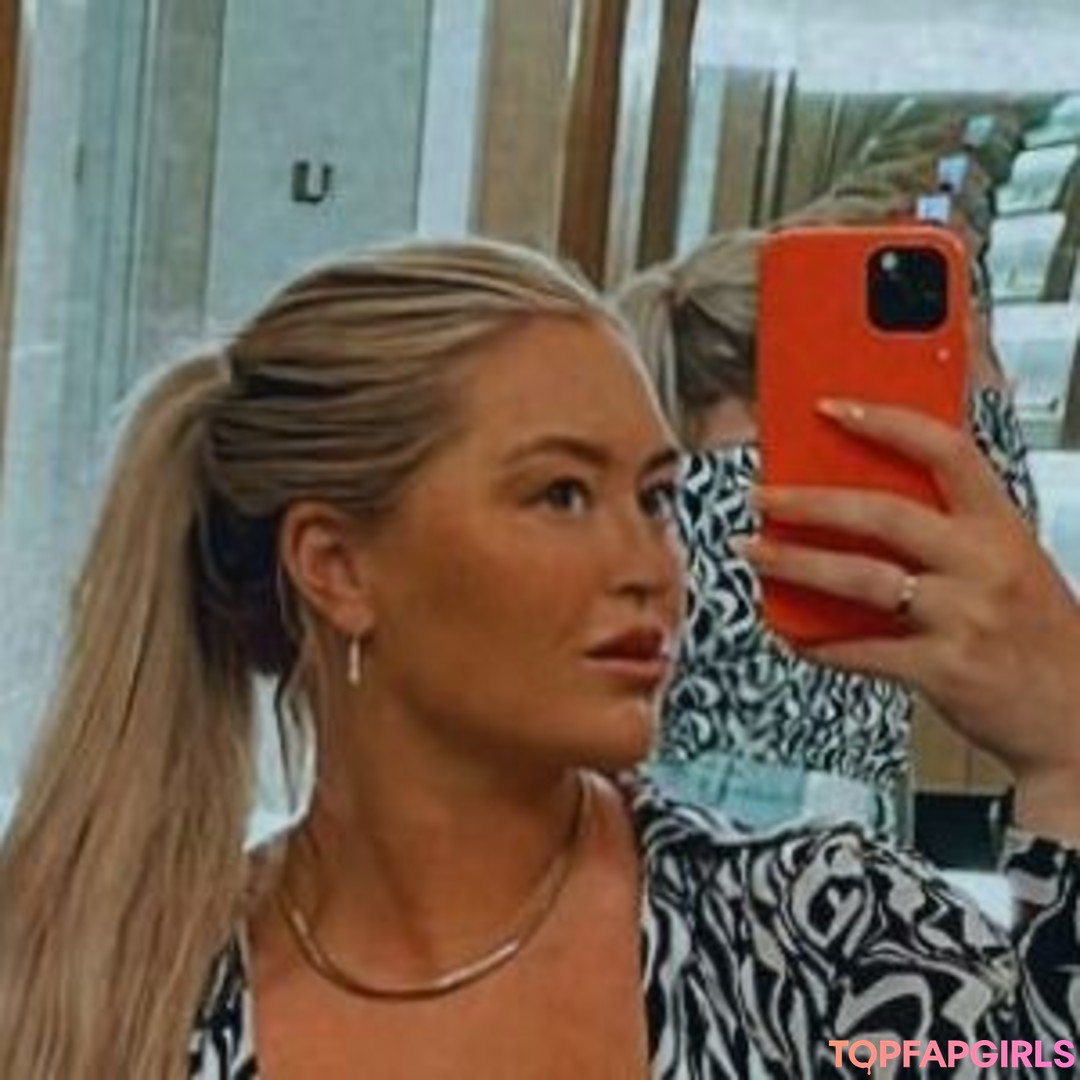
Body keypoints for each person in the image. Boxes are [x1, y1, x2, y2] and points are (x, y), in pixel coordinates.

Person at [0, 237, 1076, 1080]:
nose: (654, 568)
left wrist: (1068, 755)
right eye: (561, 494)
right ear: (337, 567)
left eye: (656, 499)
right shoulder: (117, 1003)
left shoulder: (814, 938)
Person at [616, 224, 1039, 839]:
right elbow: (1009, 577)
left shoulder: (649, 501)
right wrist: (984, 394)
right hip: (819, 840)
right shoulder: (864, 498)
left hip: (660, 825)